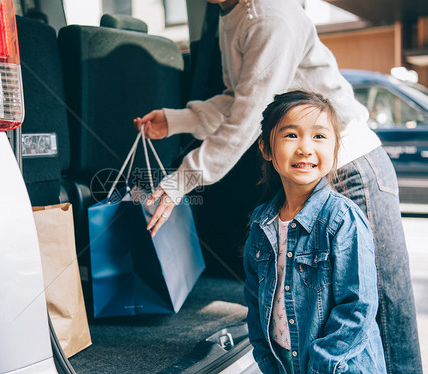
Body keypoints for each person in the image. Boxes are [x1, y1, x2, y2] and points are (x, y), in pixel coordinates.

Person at [134, 0, 422, 372]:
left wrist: (180, 182)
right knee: (317, 313)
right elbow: (240, 100)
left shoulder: (270, 16)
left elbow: (249, 119)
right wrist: (178, 120)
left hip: (349, 167)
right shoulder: (230, 16)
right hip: (311, 175)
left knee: (385, 318)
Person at [244, 90, 386, 374]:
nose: (305, 148)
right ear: (266, 149)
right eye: (291, 135)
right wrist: (264, 355)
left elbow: (357, 307)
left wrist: (323, 365)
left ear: (335, 149)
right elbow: (253, 296)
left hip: (340, 366)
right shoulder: (262, 222)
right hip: (284, 363)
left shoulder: (343, 219)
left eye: (319, 136)